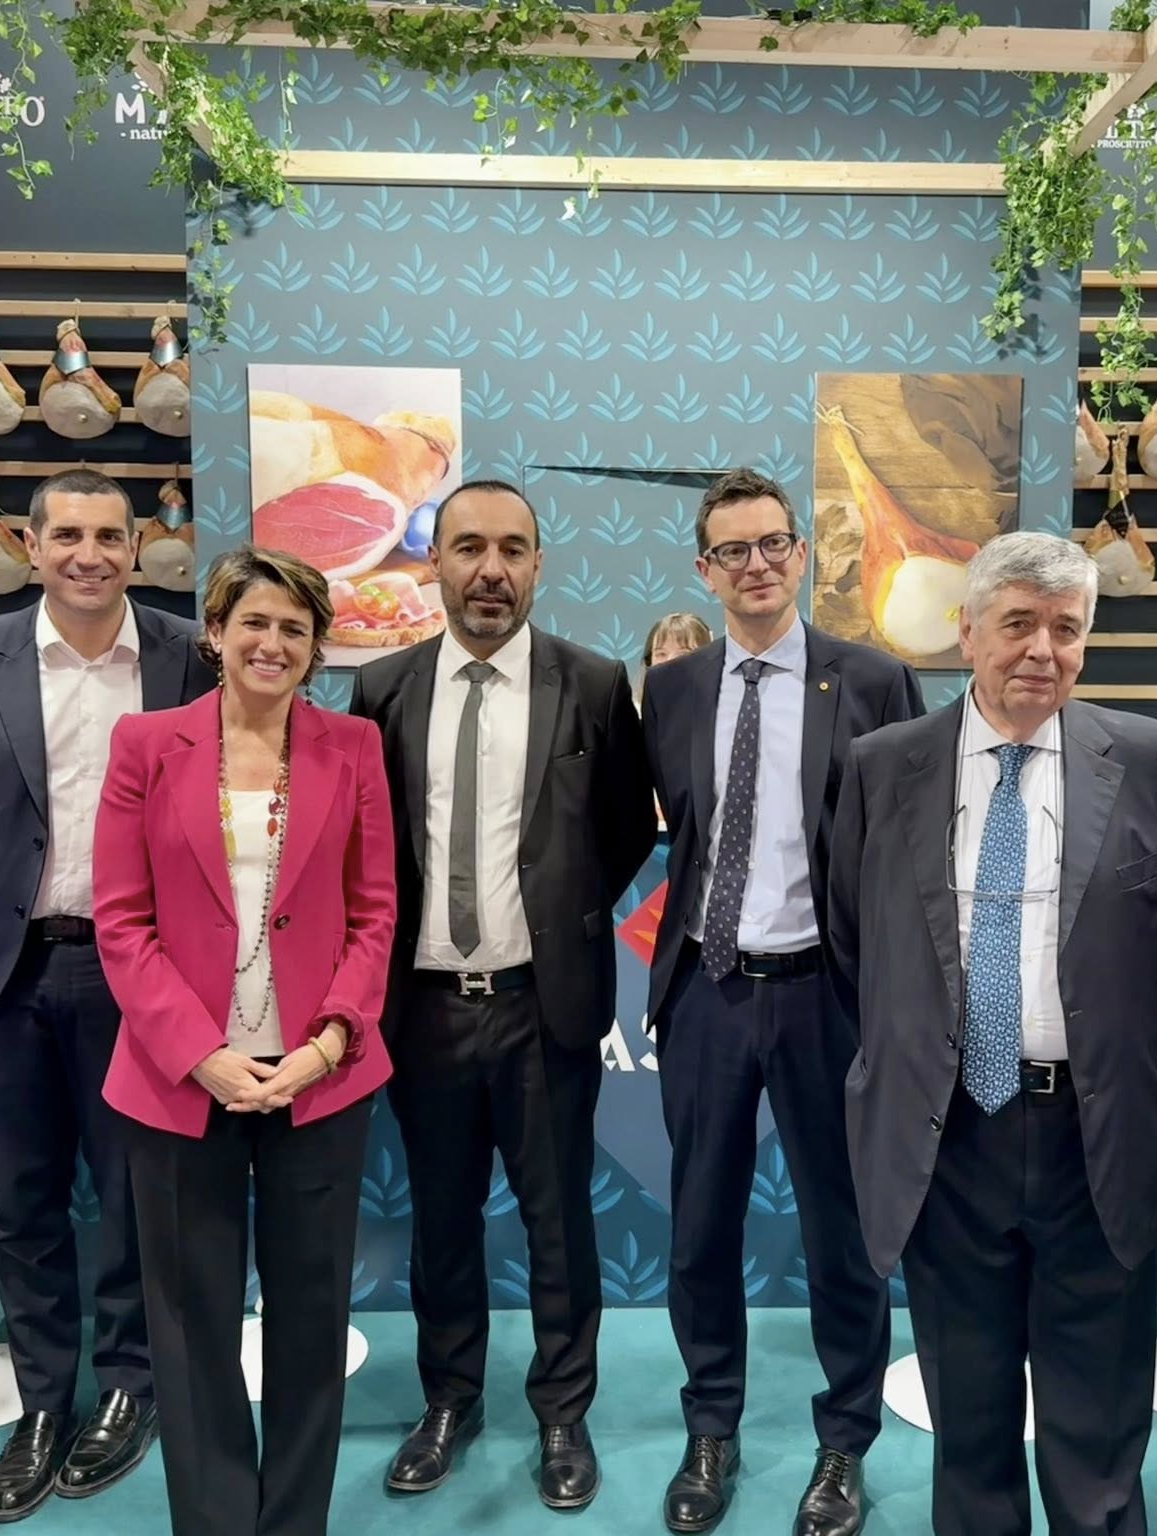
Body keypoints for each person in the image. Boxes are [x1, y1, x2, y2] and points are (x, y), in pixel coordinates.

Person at [828, 531, 1157, 1536]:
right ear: (966, 632)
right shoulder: (883, 765)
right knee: (971, 1418)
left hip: (1095, 1131)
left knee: (1098, 1426)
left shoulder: (1144, 755)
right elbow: (855, 939)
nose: (1042, 649)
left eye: (1065, 629)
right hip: (948, 1133)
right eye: (1018, 624)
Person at [0, 468, 213, 1522]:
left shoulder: (187, 655)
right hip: (7, 973)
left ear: (139, 547)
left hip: (143, 975)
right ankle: (41, 1402)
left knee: (133, 1195)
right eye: (67, 535)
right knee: (24, 1201)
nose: (89, 555)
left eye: (109, 536)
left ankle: (127, 1386)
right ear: (30, 546)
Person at [349, 479, 656, 1511]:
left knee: (558, 1220)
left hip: (543, 1003)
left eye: (513, 550)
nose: (491, 570)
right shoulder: (383, 688)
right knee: (441, 1218)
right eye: (469, 547)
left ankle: (562, 1412)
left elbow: (622, 831)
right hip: (425, 1005)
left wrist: (557, 920)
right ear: (434, 562)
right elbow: (371, 845)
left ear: (537, 565)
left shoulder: (594, 684)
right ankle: (449, 1400)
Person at [92, 546, 397, 1536]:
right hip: (180, 1080)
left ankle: (294, 1520)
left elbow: (374, 915)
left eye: (294, 629)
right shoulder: (147, 744)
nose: (272, 643)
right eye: (253, 623)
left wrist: (327, 1045)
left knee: (311, 1316)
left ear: (316, 648)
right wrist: (201, 1054)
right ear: (215, 633)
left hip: (317, 1080)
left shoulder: (352, 748)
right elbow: (121, 921)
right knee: (190, 1324)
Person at [641, 468, 923, 1536]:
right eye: (733, 551)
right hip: (708, 992)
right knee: (698, 1229)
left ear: (800, 555)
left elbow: (907, 848)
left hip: (826, 998)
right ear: (704, 570)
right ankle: (709, 1428)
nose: (755, 565)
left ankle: (843, 1442)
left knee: (841, 1234)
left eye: (772, 544)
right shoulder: (673, 689)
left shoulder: (873, 680)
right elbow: (671, 829)